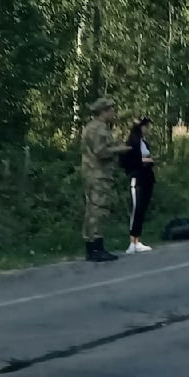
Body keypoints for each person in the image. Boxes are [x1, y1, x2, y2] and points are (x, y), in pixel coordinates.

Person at [81, 97, 131, 262]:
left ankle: (91, 246)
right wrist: (120, 149)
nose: (113, 112)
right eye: (111, 109)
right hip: (99, 174)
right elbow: (101, 152)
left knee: (91, 209)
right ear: (104, 111)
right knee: (98, 210)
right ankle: (97, 247)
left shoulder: (90, 127)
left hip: (90, 173)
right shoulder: (100, 129)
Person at [122, 116, 155, 253]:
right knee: (136, 209)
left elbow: (147, 158)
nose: (147, 129)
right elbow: (126, 161)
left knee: (142, 209)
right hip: (137, 178)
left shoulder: (144, 142)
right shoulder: (132, 142)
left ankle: (138, 239)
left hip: (147, 177)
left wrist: (150, 160)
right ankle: (132, 241)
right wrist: (142, 161)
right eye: (145, 126)